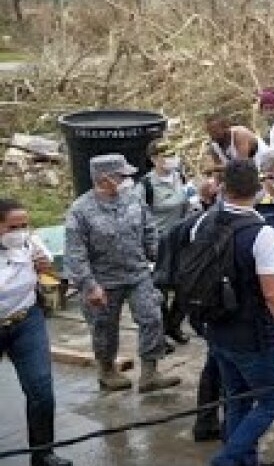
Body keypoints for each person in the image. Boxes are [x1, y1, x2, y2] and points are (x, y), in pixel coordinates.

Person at [200, 159, 274, 466]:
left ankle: (245, 462)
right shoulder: (262, 234)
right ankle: (225, 461)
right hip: (253, 334)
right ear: (259, 188)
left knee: (238, 399)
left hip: (217, 328)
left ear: (224, 187)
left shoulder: (204, 222)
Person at [64, 154, 181, 394]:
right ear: (105, 179)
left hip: (138, 274)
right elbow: (75, 254)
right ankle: (107, 371)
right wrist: (89, 286)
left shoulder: (133, 201)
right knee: (104, 327)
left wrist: (158, 261)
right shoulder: (81, 210)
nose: (128, 180)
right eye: (122, 175)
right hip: (103, 280)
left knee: (152, 318)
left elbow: (149, 231)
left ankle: (150, 373)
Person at [1, 198, 73, 466]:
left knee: (41, 389)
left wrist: (44, 266)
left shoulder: (29, 243)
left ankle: (43, 453)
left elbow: (49, 269)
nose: (19, 231)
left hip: (26, 320)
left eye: (24, 225)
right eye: (12, 227)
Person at [137, 138, 195, 346]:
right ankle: (160, 333)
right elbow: (139, 217)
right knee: (159, 290)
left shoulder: (179, 177)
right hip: (158, 243)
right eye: (165, 156)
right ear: (154, 160)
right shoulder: (146, 186)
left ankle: (174, 324)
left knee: (186, 286)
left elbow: (188, 204)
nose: (171, 160)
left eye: (173, 155)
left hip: (182, 239)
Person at [202, 111, 265, 176]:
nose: (213, 136)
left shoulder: (240, 135)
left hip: (266, 169)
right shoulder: (214, 146)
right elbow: (221, 174)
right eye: (210, 133)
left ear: (226, 127)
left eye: (215, 132)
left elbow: (243, 165)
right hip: (245, 176)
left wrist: (215, 168)